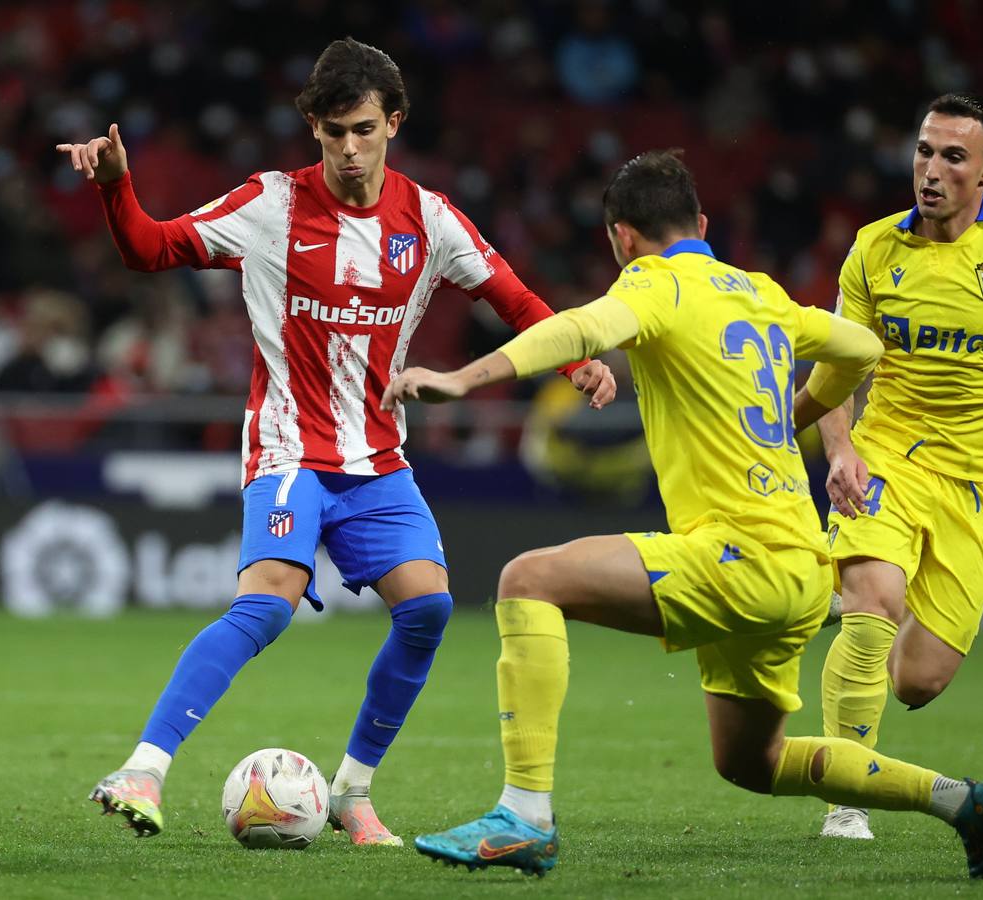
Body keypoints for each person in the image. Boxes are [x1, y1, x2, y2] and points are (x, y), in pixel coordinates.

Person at [383, 150, 983, 880]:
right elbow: (862, 345)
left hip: (740, 557)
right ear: (703, 224)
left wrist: (463, 379)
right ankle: (963, 802)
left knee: (528, 578)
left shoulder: (653, 284)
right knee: (753, 761)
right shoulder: (759, 293)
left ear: (622, 238)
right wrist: (799, 413)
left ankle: (524, 815)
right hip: (804, 571)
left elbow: (577, 332)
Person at [55, 37, 617, 846]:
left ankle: (353, 792)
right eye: (331, 133)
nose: (349, 151)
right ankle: (143, 768)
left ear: (394, 121)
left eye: (362, 130)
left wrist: (578, 358)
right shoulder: (269, 205)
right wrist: (117, 189)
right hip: (288, 448)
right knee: (268, 604)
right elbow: (150, 247)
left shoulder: (430, 220)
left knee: (425, 609)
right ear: (312, 129)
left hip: (378, 459)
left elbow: (518, 300)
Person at [811, 93, 983, 840]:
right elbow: (834, 361)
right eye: (924, 152)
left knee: (917, 680)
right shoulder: (874, 247)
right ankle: (848, 797)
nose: (930, 171)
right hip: (889, 460)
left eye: (952, 157)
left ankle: (859, 657)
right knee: (869, 606)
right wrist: (840, 447)